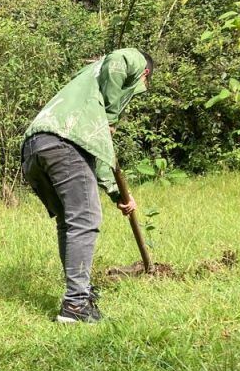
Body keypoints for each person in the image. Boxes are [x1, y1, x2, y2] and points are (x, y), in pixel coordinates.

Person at [21, 48, 151, 323]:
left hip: (35, 146)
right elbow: (120, 60)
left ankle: (80, 293)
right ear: (146, 74)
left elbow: (98, 153)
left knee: (69, 223)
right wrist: (112, 118)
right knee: (85, 219)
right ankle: (76, 305)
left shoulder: (86, 85)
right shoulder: (130, 63)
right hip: (64, 143)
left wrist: (117, 194)